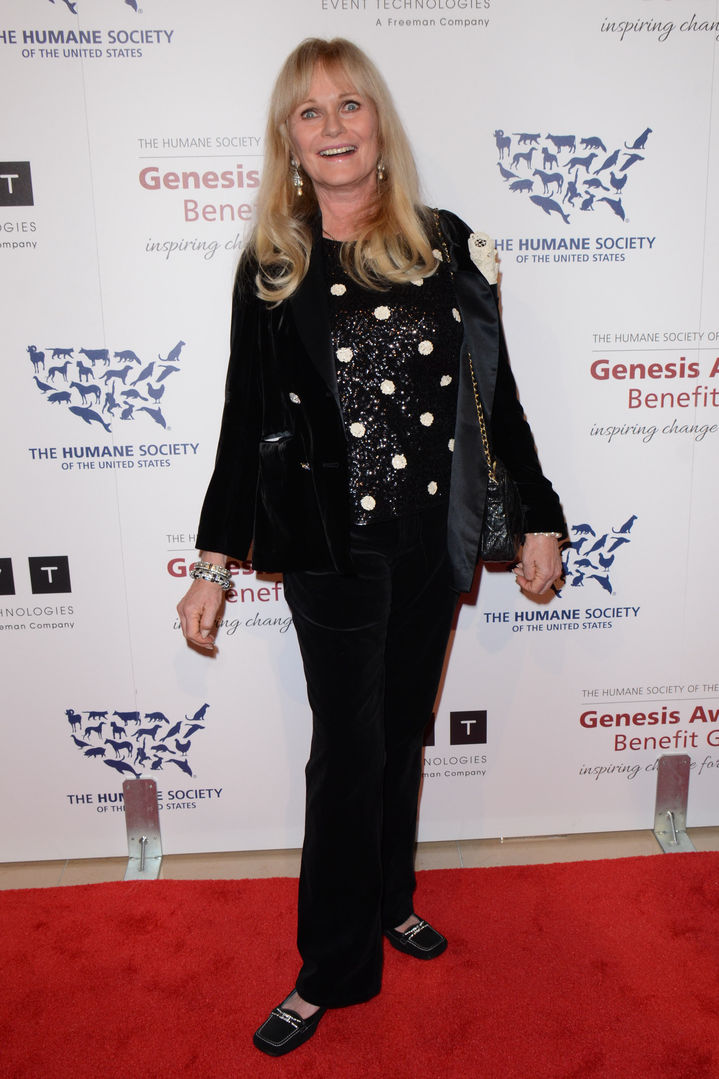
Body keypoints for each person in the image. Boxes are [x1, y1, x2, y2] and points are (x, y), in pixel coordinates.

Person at [177, 36, 565, 1057]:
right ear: (288, 139)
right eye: (310, 112)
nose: (333, 125)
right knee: (346, 754)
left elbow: (497, 397)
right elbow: (241, 420)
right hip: (331, 553)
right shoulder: (273, 264)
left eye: (350, 104)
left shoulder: (446, 244)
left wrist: (539, 512)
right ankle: (330, 968)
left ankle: (390, 896)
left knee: (398, 733)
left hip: (430, 542)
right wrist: (212, 565)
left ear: (378, 125)